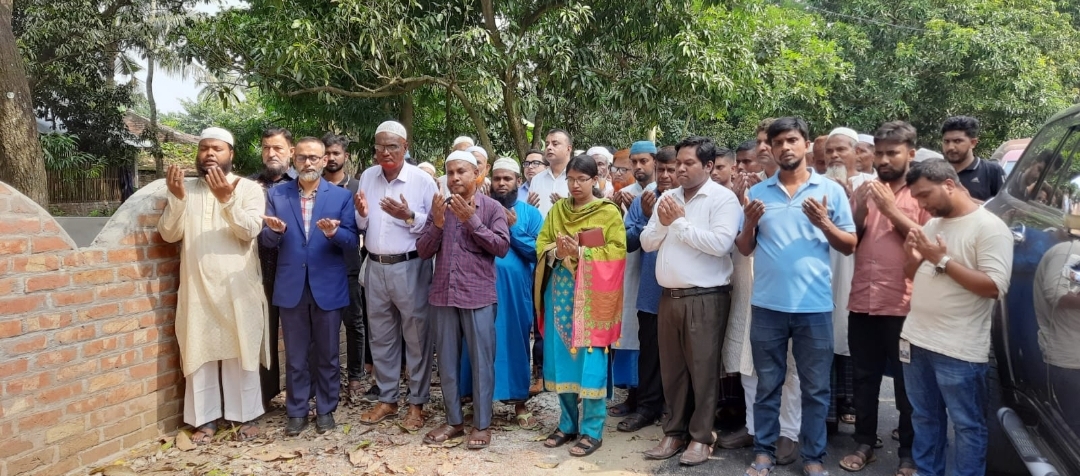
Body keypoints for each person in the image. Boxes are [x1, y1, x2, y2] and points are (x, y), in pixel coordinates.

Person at [736, 117, 857, 476]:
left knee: (816, 389)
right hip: (768, 306)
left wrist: (825, 223)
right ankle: (763, 452)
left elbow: (849, 245)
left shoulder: (830, 191)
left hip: (814, 307)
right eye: (778, 142)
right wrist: (749, 223)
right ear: (770, 150)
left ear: (806, 145)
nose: (785, 147)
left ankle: (814, 458)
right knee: (768, 384)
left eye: (792, 140)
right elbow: (745, 249)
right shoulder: (758, 193)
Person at [901, 159, 1013, 476]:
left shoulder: (990, 228)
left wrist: (942, 259)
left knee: (967, 426)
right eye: (917, 198)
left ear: (949, 185)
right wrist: (911, 257)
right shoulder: (933, 224)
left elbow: (994, 287)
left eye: (925, 195)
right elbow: (911, 274)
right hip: (917, 340)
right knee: (924, 418)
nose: (921, 204)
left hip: (959, 350)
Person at [159, 127, 270, 443]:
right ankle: (204, 420)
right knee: (199, 351)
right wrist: (178, 199)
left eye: (216, 149)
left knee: (241, 351)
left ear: (230, 154)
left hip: (238, 287)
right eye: (204, 148)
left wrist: (227, 200)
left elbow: (249, 230)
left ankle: (244, 417)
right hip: (197, 288)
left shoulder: (248, 189)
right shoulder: (186, 190)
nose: (208, 154)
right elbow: (168, 233)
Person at [640, 136, 742, 466]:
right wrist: (665, 223)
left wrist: (679, 223)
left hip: (706, 297)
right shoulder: (667, 197)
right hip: (669, 297)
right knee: (674, 370)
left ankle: (701, 437)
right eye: (678, 163)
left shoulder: (723, 199)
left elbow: (721, 244)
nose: (679, 169)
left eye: (688, 164)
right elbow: (647, 242)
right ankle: (674, 432)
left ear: (709, 167)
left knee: (703, 370)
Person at [839, 121, 929, 475]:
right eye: (879, 152)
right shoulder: (865, 190)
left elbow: (928, 242)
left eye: (892, 152)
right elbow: (850, 242)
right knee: (863, 377)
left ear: (911, 153)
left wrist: (891, 210)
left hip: (905, 305)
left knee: (908, 385)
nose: (884, 159)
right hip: (862, 300)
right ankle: (864, 443)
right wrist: (860, 209)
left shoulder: (923, 192)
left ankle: (908, 452)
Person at [260, 137, 358, 436]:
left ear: (323, 159)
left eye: (314, 157)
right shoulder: (278, 194)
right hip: (291, 287)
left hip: (328, 286)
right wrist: (275, 234)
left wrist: (334, 234)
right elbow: (264, 242)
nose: (309, 163)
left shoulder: (339, 197)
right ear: (293, 158)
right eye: (302, 157)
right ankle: (297, 410)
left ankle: (326, 409)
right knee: (296, 355)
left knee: (328, 355)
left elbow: (352, 243)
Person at [417, 150, 510, 450]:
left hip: (479, 296)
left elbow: (501, 247)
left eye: (461, 172)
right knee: (446, 362)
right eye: (450, 172)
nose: (454, 178)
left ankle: (482, 424)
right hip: (443, 296)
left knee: (482, 362)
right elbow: (423, 250)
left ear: (476, 176)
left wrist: (472, 220)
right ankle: (454, 421)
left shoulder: (492, 208)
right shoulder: (439, 209)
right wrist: (439, 223)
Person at [536, 155, 626, 457]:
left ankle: (592, 430)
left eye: (581, 179)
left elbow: (617, 252)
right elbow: (542, 244)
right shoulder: (557, 211)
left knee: (591, 362)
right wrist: (558, 252)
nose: (575, 185)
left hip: (592, 301)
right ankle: (567, 424)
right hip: (560, 296)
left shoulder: (608, 213)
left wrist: (583, 251)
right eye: (571, 179)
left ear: (594, 180)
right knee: (563, 360)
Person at [355, 120, 438, 432]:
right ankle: (388, 399)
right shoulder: (367, 176)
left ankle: (417, 403)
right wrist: (362, 213)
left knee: (416, 337)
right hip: (375, 265)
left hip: (411, 266)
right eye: (379, 147)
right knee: (381, 335)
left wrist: (409, 216)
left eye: (392, 146)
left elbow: (435, 228)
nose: (385, 152)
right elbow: (362, 226)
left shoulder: (422, 181)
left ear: (405, 147)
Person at [619, 145, 677, 433]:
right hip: (651, 292)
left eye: (671, 169)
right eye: (663, 170)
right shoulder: (644, 198)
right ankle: (647, 407)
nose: (665, 175)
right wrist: (643, 215)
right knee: (650, 353)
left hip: (685, 291)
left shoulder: (693, 198)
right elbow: (628, 241)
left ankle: (679, 412)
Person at [823, 126, 876, 432]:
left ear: (857, 152)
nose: (834, 155)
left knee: (853, 338)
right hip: (824, 270)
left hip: (858, 271)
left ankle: (856, 413)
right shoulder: (817, 184)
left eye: (840, 149)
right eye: (830, 150)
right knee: (825, 337)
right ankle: (828, 416)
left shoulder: (872, 184)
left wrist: (852, 203)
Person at [489, 158, 544, 427]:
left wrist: (510, 229)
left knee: (517, 343)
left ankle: (520, 405)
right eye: (497, 178)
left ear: (518, 182)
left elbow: (538, 252)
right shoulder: (478, 210)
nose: (501, 183)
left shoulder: (531, 214)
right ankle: (476, 403)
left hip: (516, 292)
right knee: (479, 345)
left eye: (507, 179)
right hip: (482, 290)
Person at [608, 140, 658, 419]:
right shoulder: (623, 193)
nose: (638, 167)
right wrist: (620, 211)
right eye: (633, 163)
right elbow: (623, 238)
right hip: (629, 272)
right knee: (629, 332)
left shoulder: (665, 192)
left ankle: (651, 399)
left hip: (655, 275)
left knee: (650, 338)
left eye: (644, 162)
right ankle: (632, 394)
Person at [249, 127, 298, 406]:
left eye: (278, 148)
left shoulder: (301, 184)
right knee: (264, 337)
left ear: (291, 151)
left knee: (297, 339)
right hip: (260, 274)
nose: (271, 153)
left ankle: (299, 397)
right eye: (267, 148)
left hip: (293, 272)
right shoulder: (249, 185)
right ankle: (265, 396)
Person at [321, 133, 369, 403]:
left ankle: (355, 378)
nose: (331, 158)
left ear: (345, 157)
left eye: (336, 153)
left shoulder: (358, 188)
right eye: (326, 154)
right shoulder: (312, 187)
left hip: (350, 263)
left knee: (354, 323)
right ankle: (324, 379)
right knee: (322, 327)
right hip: (320, 265)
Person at [940, 115, 1004, 201]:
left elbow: (1006, 208)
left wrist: (969, 202)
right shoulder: (937, 173)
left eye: (957, 141)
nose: (950, 147)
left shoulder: (992, 171)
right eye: (946, 141)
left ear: (973, 143)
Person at [529, 129, 573, 217]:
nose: (549, 147)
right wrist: (528, 208)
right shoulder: (537, 179)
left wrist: (569, 207)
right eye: (547, 144)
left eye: (555, 144)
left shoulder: (579, 178)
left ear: (568, 148)